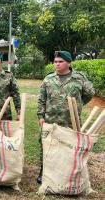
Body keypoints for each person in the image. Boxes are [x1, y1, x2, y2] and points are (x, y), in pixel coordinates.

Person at [36, 50, 95, 184]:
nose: (57, 64)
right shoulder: (48, 78)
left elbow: (89, 93)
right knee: (46, 145)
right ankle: (44, 172)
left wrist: (77, 105)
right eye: (55, 61)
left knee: (69, 146)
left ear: (69, 63)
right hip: (50, 119)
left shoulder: (79, 78)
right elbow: (41, 99)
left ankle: (66, 173)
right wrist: (40, 115)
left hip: (70, 120)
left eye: (60, 62)